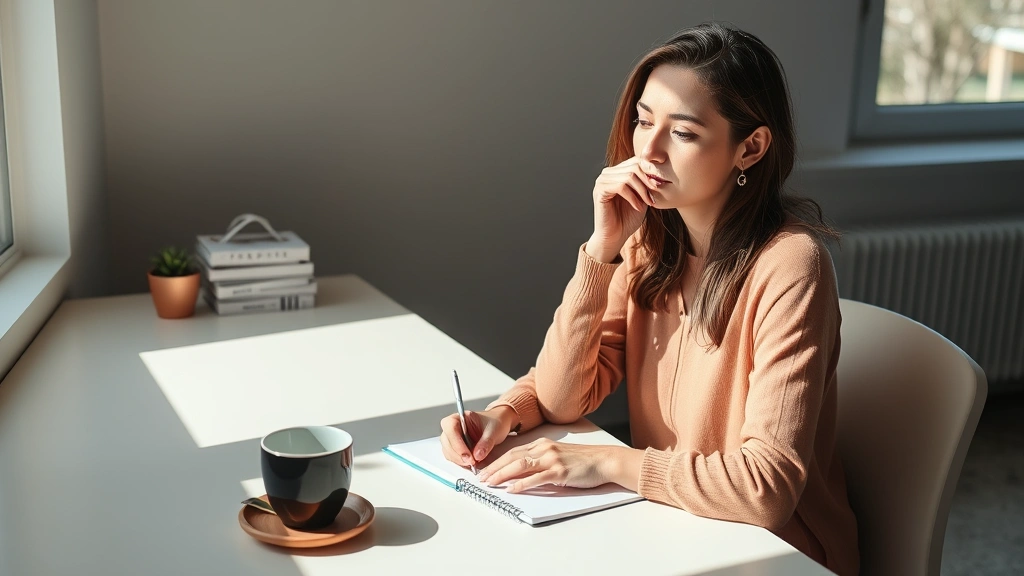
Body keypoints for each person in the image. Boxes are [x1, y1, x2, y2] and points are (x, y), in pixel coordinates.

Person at [438, 22, 858, 575]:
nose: (649, 150)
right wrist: (600, 251)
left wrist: (609, 460)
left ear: (750, 148)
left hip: (777, 553)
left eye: (682, 133)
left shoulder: (790, 264)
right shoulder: (649, 245)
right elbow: (567, 397)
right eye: (642, 121)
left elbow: (767, 489)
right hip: (671, 529)